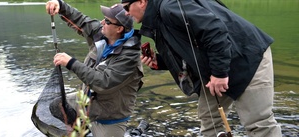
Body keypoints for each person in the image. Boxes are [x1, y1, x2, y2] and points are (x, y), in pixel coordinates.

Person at [120, 0, 282, 136]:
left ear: (142, 2)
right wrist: (160, 61)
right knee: (210, 120)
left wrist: (219, 73)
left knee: (258, 123)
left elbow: (215, 30)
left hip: (247, 57)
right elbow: (188, 50)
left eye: (126, 7)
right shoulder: (159, 16)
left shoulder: (169, 7)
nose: (126, 13)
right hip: (218, 64)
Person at [46, 1, 143, 136]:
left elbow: (103, 82)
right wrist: (60, 6)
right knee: (57, 106)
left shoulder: (130, 57)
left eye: (107, 21)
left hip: (110, 116)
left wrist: (71, 62)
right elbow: (81, 20)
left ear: (119, 29)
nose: (102, 22)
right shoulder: (102, 33)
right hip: (88, 101)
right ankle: (85, 131)